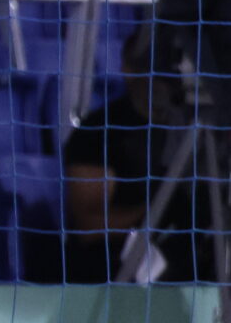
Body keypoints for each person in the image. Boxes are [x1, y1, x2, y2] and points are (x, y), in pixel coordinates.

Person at [62, 27, 204, 285]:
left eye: (167, 68)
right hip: (116, 266)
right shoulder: (98, 133)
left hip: (191, 256)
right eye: (151, 67)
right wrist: (154, 215)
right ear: (128, 68)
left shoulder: (197, 127)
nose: (162, 79)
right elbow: (89, 226)